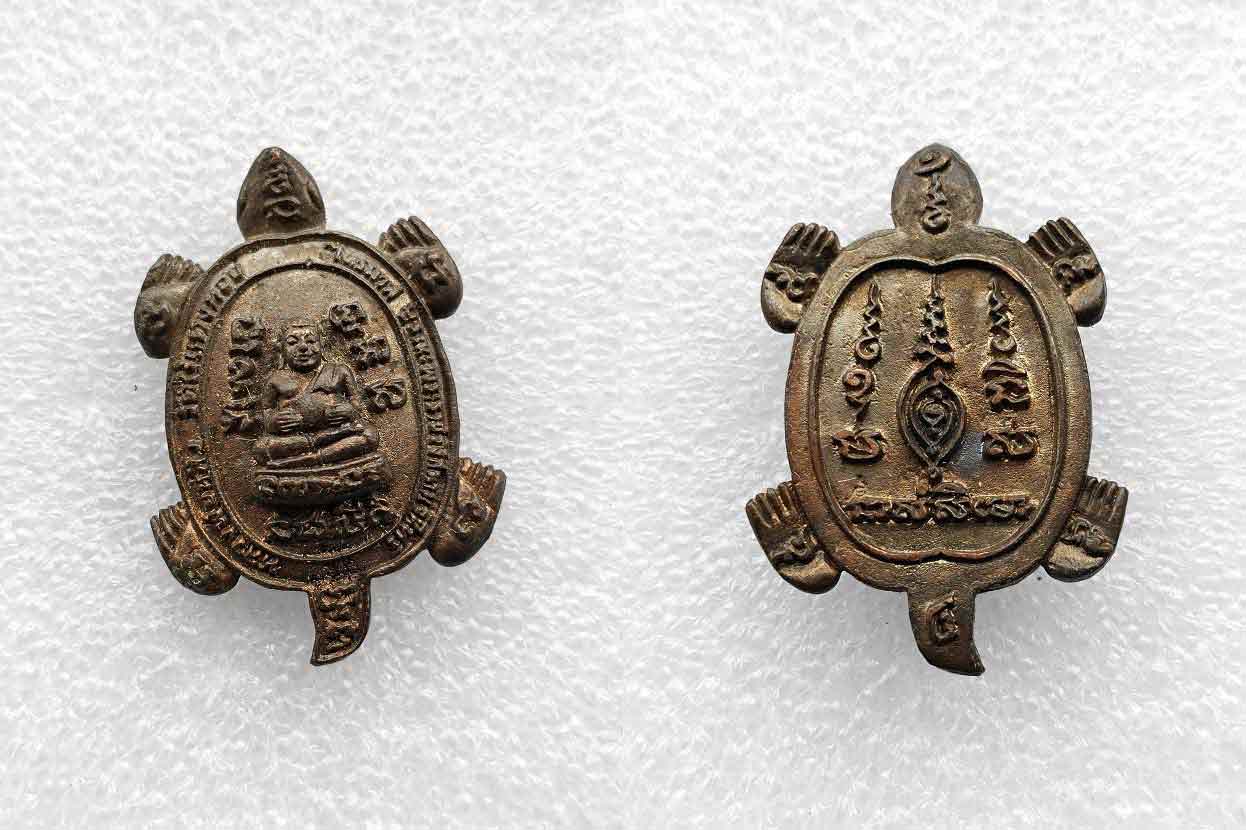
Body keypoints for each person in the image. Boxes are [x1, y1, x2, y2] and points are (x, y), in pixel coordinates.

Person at [252, 322, 379, 469]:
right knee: (260, 448)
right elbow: (266, 412)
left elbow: (358, 403)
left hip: (337, 433)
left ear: (322, 345)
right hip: (297, 439)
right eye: (292, 342)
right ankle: (320, 452)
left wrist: (350, 410)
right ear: (281, 350)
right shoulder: (276, 379)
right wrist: (274, 422)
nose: (303, 347)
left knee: (369, 434)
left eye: (311, 341)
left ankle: (312, 459)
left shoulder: (339, 370)